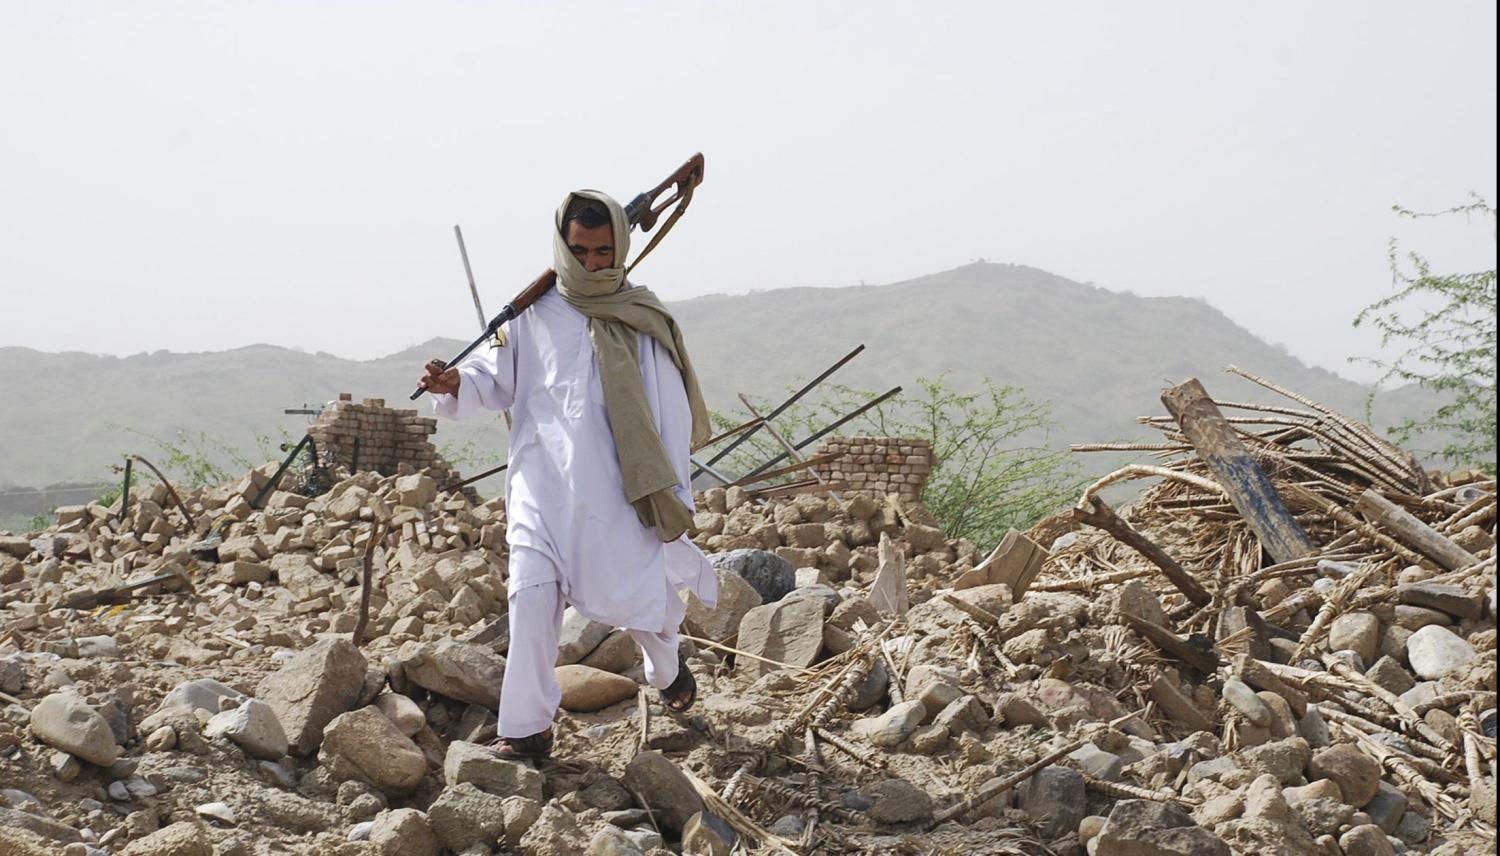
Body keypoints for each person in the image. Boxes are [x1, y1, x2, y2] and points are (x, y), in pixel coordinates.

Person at [417, 189, 717, 763]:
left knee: (634, 591)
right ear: (563, 245)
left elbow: (669, 411)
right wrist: (455, 382)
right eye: (580, 250)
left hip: (616, 490)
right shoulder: (529, 311)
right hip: (540, 484)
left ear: (621, 247)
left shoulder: (639, 314)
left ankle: (667, 664)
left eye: (604, 251)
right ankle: (527, 728)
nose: (592, 263)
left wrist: (671, 490)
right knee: (529, 598)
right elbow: (493, 375)